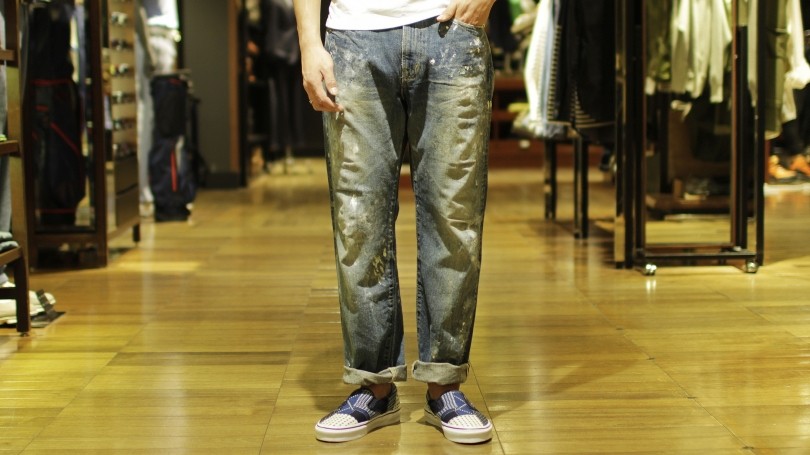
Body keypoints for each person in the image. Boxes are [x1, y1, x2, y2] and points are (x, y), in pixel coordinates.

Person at [293, 0, 496, 444]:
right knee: (358, 221)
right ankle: (374, 385)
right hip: (353, 37)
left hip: (452, 31)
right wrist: (308, 41)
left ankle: (445, 383)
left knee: (454, 216)